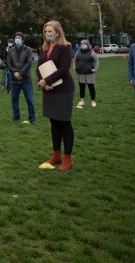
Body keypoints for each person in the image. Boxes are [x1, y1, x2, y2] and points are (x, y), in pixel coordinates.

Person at [36, 20, 76, 172]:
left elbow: (64, 69)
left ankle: (68, 158)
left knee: (64, 122)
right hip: (48, 90)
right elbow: (39, 67)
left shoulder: (66, 47)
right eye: (46, 31)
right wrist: (42, 82)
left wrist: (47, 80)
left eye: (50, 31)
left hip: (63, 90)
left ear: (58, 32)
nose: (48, 34)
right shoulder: (44, 48)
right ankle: (56, 154)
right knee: (54, 123)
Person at [6, 32, 35, 124]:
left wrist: (21, 73)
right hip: (14, 80)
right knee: (14, 99)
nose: (17, 39)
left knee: (29, 100)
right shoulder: (11, 50)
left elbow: (29, 62)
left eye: (19, 38)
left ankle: (32, 118)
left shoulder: (28, 50)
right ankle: (16, 117)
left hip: (26, 79)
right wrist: (14, 72)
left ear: (22, 39)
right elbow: (8, 63)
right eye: (16, 38)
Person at [73, 39, 99, 108]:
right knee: (82, 87)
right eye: (82, 43)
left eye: (84, 43)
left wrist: (95, 69)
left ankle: (93, 101)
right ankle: (82, 100)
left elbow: (97, 62)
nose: (83, 45)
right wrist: (74, 67)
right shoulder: (78, 52)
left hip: (90, 73)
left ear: (87, 44)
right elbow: (74, 61)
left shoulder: (92, 52)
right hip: (80, 73)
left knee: (91, 87)